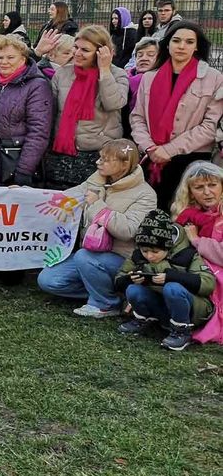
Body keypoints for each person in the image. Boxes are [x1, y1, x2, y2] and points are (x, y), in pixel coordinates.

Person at [38, 139, 157, 318]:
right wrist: (24, 193)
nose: (98, 162)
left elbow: (128, 230)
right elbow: (63, 198)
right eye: (100, 158)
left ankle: (106, 304)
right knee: (48, 281)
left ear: (125, 164)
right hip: (91, 256)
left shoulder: (145, 194)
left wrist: (97, 206)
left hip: (123, 260)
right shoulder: (95, 182)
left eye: (106, 160)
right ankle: (109, 293)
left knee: (83, 257)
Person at [130, 21, 223, 207]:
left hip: (191, 160)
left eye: (189, 42)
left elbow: (210, 125)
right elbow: (137, 117)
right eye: (176, 40)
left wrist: (170, 149)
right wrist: (149, 147)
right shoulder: (149, 78)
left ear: (197, 46)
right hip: (153, 157)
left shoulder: (213, 78)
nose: (182, 46)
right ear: (167, 44)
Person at [115, 209, 216, 351]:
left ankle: (182, 331)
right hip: (160, 304)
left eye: (155, 252)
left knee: (172, 288)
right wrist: (130, 279)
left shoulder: (188, 254)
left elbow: (208, 283)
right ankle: (143, 319)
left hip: (193, 309)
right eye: (145, 251)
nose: (149, 256)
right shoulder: (138, 255)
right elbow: (118, 280)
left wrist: (172, 277)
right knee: (133, 289)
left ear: (168, 247)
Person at [44, 26, 129, 191]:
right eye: (76, 47)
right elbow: (52, 113)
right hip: (62, 153)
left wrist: (104, 71)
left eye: (85, 50)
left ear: (100, 52)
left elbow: (115, 103)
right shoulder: (62, 73)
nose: (77, 53)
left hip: (98, 154)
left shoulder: (117, 74)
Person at [0, 35, 52, 187]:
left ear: (23, 59)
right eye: (0, 57)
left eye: (10, 57)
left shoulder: (37, 86)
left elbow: (38, 132)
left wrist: (24, 170)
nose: (4, 62)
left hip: (15, 163)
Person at [170, 161, 223, 345]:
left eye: (212, 185)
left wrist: (197, 241)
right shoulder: (188, 215)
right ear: (190, 192)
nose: (207, 192)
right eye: (199, 187)